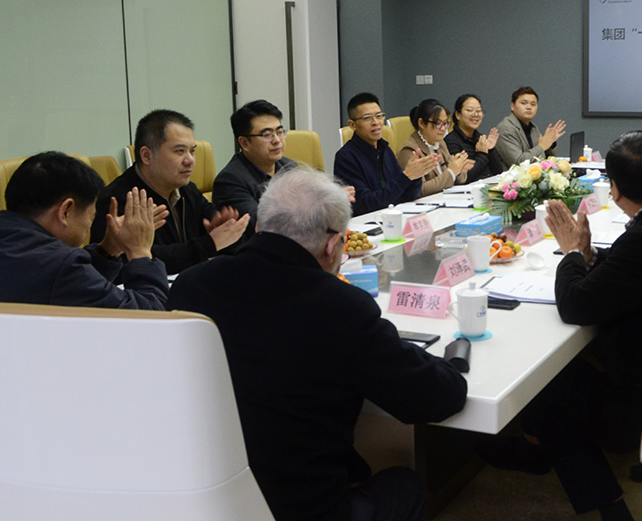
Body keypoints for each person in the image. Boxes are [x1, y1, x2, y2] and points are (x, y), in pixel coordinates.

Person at [169, 167, 467, 521]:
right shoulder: (341, 307)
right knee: (407, 485)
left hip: (209, 500)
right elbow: (438, 398)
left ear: (261, 227)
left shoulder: (190, 285)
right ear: (331, 245)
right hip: (305, 508)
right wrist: (452, 363)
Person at [481, 132, 642, 521]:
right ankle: (536, 449)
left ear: (616, 190)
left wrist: (572, 253)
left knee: (546, 386)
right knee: (567, 370)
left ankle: (609, 506)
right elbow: (630, 271)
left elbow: (576, 305)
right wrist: (589, 256)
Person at [1, 151, 168, 309]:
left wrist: (109, 249)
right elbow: (150, 316)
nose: (89, 226)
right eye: (91, 217)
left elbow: (73, 287)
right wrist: (139, 252)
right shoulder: (61, 266)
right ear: (65, 211)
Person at [92, 110, 250, 274]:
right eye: (180, 151)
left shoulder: (187, 190)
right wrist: (210, 244)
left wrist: (228, 232)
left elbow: (228, 243)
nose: (190, 160)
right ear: (147, 156)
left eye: (192, 151)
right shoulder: (118, 200)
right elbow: (132, 262)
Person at [333, 93, 439, 216]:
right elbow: (365, 204)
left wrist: (415, 177)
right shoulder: (346, 157)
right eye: (367, 118)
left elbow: (407, 195)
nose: (376, 122)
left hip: (393, 216)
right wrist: (406, 176)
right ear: (352, 125)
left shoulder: (384, 149)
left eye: (379, 116)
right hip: (367, 223)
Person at [212, 99, 297, 231]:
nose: (276, 140)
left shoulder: (289, 167)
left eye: (279, 132)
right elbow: (263, 226)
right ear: (244, 143)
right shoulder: (230, 181)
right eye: (267, 135)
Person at [397, 99, 475, 197]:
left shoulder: (440, 143)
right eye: (438, 123)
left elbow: (460, 180)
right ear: (421, 123)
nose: (443, 128)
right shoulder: (410, 150)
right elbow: (420, 190)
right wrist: (451, 172)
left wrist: (458, 167)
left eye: (445, 123)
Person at [495, 86, 566, 166]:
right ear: (512, 106)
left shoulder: (533, 128)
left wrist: (550, 142)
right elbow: (518, 162)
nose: (529, 107)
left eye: (533, 104)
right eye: (523, 103)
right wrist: (541, 146)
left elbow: (543, 159)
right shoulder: (506, 128)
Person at [445, 93, 504, 182]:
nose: (475, 114)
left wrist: (490, 150)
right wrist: (482, 155)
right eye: (469, 110)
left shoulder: (480, 138)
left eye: (479, 111)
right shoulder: (451, 141)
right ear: (458, 115)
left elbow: (498, 172)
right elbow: (464, 178)